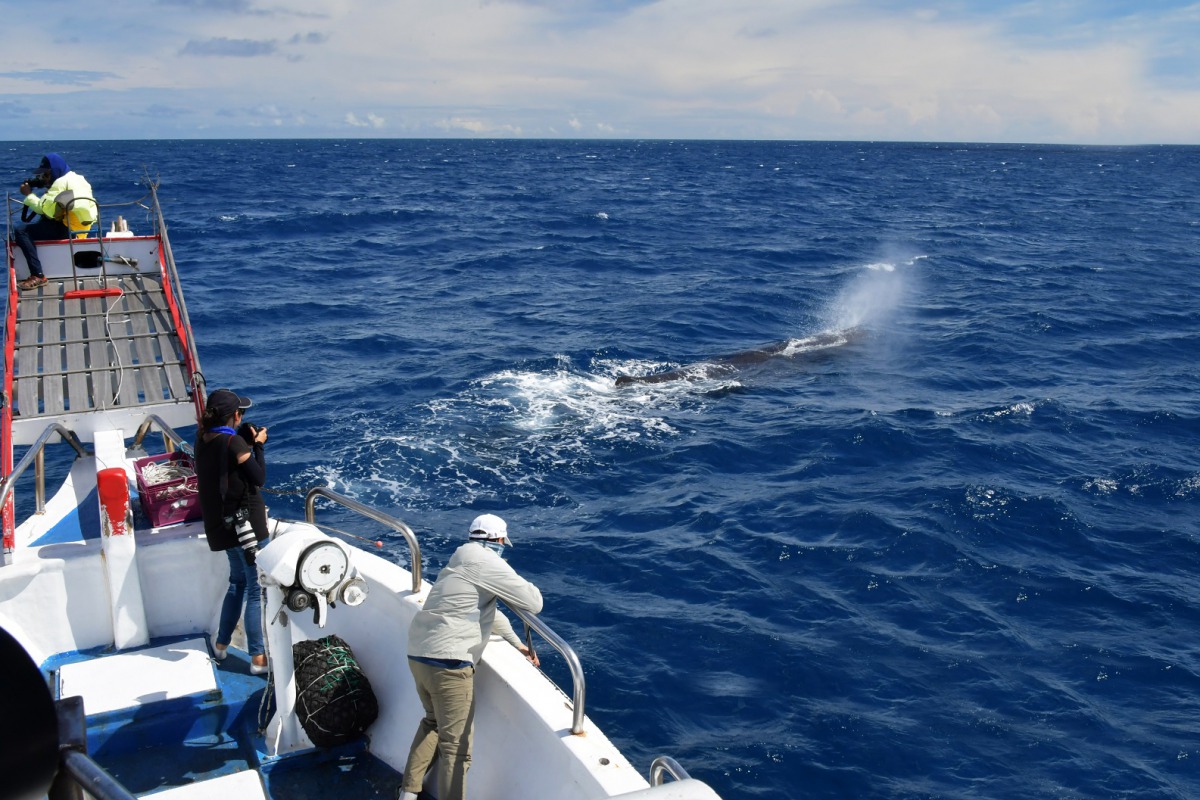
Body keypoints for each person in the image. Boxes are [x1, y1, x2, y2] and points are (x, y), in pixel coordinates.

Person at [399, 514, 543, 800]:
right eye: (503, 542)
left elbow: (487, 610)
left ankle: (407, 794)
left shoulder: (460, 559)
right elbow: (533, 602)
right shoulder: (489, 562)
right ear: (498, 540)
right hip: (449, 664)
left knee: (433, 723)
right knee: (457, 748)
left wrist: (517, 643)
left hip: (419, 654)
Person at [194, 387, 270, 674]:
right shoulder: (235, 445)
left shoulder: (203, 438)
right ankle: (258, 659)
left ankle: (221, 646)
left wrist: (243, 440)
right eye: (241, 413)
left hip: (222, 526)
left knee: (236, 582)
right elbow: (259, 477)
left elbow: (225, 461)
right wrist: (258, 445)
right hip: (247, 526)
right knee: (255, 590)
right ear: (235, 416)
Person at [12, 153, 97, 290]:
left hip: (68, 231)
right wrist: (46, 186)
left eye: (46, 175)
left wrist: (28, 194)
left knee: (21, 231)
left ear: (54, 171)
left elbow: (44, 209)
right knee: (43, 222)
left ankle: (37, 275)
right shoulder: (78, 179)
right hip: (82, 230)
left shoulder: (60, 183)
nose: (44, 178)